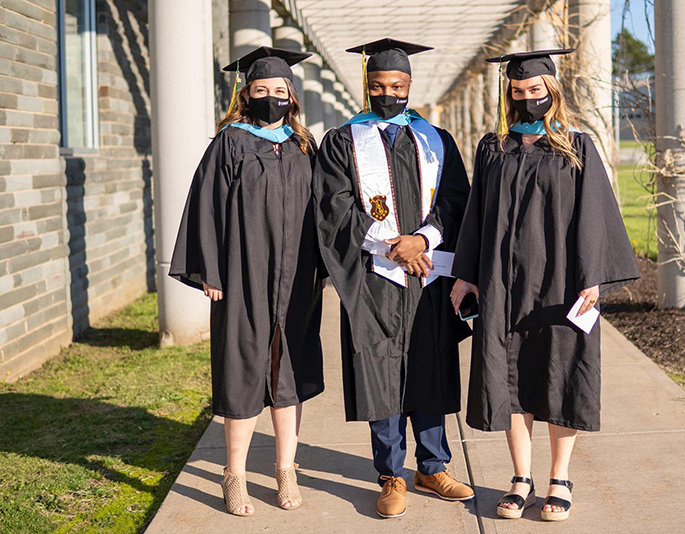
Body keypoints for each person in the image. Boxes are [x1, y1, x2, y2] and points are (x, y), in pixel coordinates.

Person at [450, 49, 640, 522]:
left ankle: (559, 478)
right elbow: (477, 216)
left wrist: (591, 276)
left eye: (535, 90)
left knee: (559, 374)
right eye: (518, 91)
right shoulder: (493, 147)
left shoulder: (576, 146)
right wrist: (465, 274)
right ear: (509, 95)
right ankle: (521, 477)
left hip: (559, 284)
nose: (527, 98)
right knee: (510, 378)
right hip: (503, 283)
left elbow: (593, 216)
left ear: (552, 91)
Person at [313, 38, 474, 519]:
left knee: (428, 364)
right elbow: (332, 207)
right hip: (373, 276)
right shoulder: (343, 140)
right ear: (367, 85)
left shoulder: (436, 140)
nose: (389, 93)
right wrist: (388, 245)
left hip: (427, 274)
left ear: (410, 85)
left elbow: (457, 201)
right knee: (380, 369)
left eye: (398, 85)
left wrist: (422, 240)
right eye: (380, 85)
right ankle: (391, 475)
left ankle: (433, 465)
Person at [169, 46, 325, 515]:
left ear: (292, 97)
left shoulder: (304, 146)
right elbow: (206, 209)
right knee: (242, 370)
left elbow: (324, 211)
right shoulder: (229, 143)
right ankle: (233, 475)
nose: (272, 97)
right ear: (246, 94)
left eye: (280, 91)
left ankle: (285, 471)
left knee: (289, 374)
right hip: (243, 272)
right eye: (262, 90)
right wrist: (211, 271)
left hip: (297, 279)